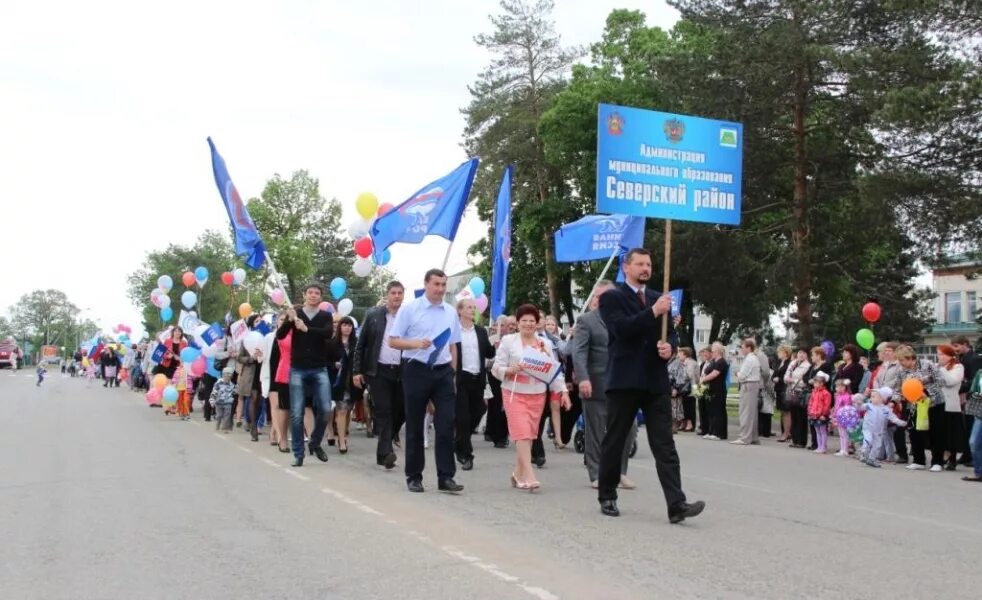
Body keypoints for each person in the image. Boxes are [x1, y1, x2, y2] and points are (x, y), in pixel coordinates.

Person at [595, 248, 705, 522]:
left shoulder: (659, 298)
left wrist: (671, 346)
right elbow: (621, 330)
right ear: (626, 266)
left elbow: (672, 333)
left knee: (664, 444)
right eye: (640, 264)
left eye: (649, 264)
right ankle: (607, 494)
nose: (646, 268)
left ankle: (676, 504)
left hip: (655, 381)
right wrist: (653, 312)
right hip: (624, 380)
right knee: (616, 439)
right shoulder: (612, 298)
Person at [388, 269, 463, 494]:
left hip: (442, 372)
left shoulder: (450, 312)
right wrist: (415, 344)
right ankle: (414, 476)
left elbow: (453, 344)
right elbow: (393, 341)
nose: (440, 289)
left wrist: (453, 373)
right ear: (426, 284)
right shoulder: (410, 310)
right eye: (436, 284)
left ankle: (446, 476)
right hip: (416, 369)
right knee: (414, 424)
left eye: (443, 285)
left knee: (446, 423)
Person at [492, 304, 571, 490]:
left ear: (537, 323)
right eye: (524, 320)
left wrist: (563, 392)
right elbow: (496, 367)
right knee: (521, 434)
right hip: (514, 393)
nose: (528, 324)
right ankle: (529, 474)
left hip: (537, 395)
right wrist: (510, 370)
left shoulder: (544, 344)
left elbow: (553, 370)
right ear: (518, 323)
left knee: (528, 436)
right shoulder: (509, 342)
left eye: (532, 321)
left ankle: (517, 474)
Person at [573, 280, 635, 490]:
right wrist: (583, 377)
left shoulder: (625, 319)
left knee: (629, 429)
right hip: (595, 384)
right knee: (597, 431)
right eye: (599, 297)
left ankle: (620, 472)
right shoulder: (586, 321)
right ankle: (596, 473)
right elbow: (579, 351)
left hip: (622, 384)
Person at [278, 283, 335, 467]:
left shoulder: (326, 316)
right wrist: (289, 319)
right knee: (296, 413)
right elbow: (280, 335)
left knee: (326, 408)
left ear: (321, 297)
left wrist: (306, 329)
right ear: (304, 295)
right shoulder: (296, 314)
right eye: (310, 292)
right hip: (298, 368)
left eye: (317, 293)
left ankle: (315, 442)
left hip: (319, 368)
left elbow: (328, 334)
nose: (313, 295)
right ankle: (298, 453)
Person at [353, 281, 405, 470]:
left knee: (401, 409)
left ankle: (384, 448)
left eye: (400, 293)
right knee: (384, 411)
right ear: (387, 294)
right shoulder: (374, 315)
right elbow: (361, 344)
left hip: (401, 370)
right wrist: (357, 371)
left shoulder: (407, 317)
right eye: (393, 292)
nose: (397, 296)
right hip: (378, 370)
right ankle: (387, 452)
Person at [453, 298, 494, 472]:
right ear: (460, 311)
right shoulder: (454, 331)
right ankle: (466, 455)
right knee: (463, 417)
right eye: (469, 307)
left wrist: (495, 341)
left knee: (479, 411)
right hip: (461, 379)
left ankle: (459, 441)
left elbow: (488, 353)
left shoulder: (481, 331)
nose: (472, 310)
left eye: (474, 307)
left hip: (477, 378)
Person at [327, 316, 361, 455]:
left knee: (347, 411)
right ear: (339, 327)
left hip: (352, 382)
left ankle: (344, 435)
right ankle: (340, 440)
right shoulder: (332, 343)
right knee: (341, 410)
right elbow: (325, 361)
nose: (347, 327)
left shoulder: (357, 343)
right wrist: (334, 365)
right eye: (344, 325)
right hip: (338, 382)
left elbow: (361, 361)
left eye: (349, 325)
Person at [952, 336, 981, 467]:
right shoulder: (962, 358)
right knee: (964, 428)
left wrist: (958, 388)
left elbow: (974, 380)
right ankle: (966, 454)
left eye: (956, 346)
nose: (955, 349)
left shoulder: (974, 358)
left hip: (971, 398)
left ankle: (970, 456)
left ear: (965, 344)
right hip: (962, 398)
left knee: (969, 427)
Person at [859, 387, 907, 468]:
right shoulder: (868, 406)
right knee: (868, 440)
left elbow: (893, 418)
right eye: (871, 396)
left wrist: (901, 422)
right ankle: (863, 453)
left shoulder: (886, 409)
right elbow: (859, 407)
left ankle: (872, 458)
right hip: (868, 429)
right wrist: (857, 402)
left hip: (879, 431)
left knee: (877, 445)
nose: (871, 398)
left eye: (874, 396)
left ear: (882, 398)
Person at [936, 344, 965, 471]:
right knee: (940, 434)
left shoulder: (958, 367)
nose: (939, 356)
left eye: (941, 354)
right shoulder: (937, 367)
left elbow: (950, 381)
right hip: (938, 404)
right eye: (938, 354)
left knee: (951, 435)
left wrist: (942, 369)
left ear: (949, 355)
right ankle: (939, 457)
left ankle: (952, 459)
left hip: (951, 406)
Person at [237, 315, 265, 442]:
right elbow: (240, 357)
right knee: (253, 398)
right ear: (252, 323)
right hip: (251, 372)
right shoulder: (246, 338)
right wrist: (251, 358)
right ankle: (253, 425)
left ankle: (257, 422)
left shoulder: (266, 336)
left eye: (261, 321)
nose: (259, 323)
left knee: (260, 400)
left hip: (264, 370)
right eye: (257, 321)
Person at [732, 339, 762, 446]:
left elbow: (741, 375)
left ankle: (745, 437)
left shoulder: (750, 359)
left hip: (748, 385)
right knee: (751, 413)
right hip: (752, 385)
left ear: (749, 348)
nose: (741, 349)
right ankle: (753, 437)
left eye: (743, 347)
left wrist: (738, 373)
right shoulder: (750, 358)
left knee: (746, 412)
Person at [700, 342, 730, 441]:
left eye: (712, 351)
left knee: (718, 411)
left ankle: (718, 433)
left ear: (717, 351)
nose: (711, 353)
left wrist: (703, 379)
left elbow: (715, 373)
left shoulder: (722, 362)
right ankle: (711, 431)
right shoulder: (713, 361)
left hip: (718, 390)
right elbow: (706, 371)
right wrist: (703, 377)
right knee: (711, 411)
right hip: (710, 389)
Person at [783, 349, 811, 448]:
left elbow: (804, 381)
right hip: (791, 392)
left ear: (807, 355)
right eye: (799, 353)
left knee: (801, 417)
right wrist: (788, 380)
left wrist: (792, 381)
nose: (801, 355)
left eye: (804, 353)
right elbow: (786, 376)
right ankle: (794, 439)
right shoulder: (793, 363)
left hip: (801, 393)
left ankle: (801, 441)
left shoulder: (807, 366)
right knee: (794, 416)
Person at [963, 368, 982, 482]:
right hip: (980, 413)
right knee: (974, 442)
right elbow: (971, 391)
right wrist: (978, 394)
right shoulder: (980, 372)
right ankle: (979, 472)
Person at [807, 372, 832, 454]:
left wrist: (824, 414)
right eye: (814, 382)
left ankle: (823, 447)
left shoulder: (826, 393)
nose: (815, 384)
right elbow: (811, 402)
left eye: (816, 382)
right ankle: (819, 446)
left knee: (822, 431)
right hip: (814, 414)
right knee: (817, 431)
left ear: (822, 383)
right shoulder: (814, 392)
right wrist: (810, 412)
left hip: (821, 415)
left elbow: (827, 405)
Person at [773, 346, 793, 442]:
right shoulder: (779, 363)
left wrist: (779, 379)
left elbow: (788, 375)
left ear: (785, 353)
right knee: (782, 412)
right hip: (778, 389)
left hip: (784, 389)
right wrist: (774, 378)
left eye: (780, 352)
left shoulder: (789, 363)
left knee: (786, 412)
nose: (778, 354)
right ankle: (786, 432)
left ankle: (786, 433)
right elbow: (774, 374)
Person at [832, 379, 855, 456]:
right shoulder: (838, 396)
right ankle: (842, 449)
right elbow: (836, 406)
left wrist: (844, 416)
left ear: (844, 387)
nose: (837, 388)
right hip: (838, 416)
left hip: (844, 417)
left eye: (838, 386)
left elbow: (847, 407)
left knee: (844, 434)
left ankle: (845, 450)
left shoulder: (847, 396)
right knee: (841, 434)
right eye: (836, 386)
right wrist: (834, 415)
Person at [211, 366, 237, 432]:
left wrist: (236, 389)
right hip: (219, 402)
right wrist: (212, 401)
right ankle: (218, 423)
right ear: (223, 375)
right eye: (226, 374)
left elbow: (234, 392)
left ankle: (224, 428)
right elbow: (214, 392)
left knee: (227, 416)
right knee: (219, 415)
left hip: (228, 402)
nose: (228, 376)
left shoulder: (231, 384)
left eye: (229, 375)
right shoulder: (218, 383)